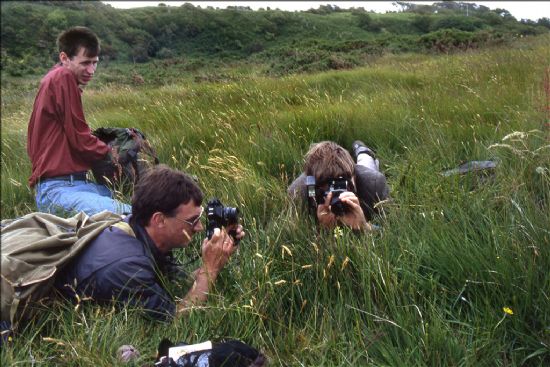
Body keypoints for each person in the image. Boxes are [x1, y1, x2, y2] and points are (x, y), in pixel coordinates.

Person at [55, 165, 244, 321]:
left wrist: (217, 257)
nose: (200, 227)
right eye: (192, 221)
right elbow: (174, 320)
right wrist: (209, 271)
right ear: (159, 220)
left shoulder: (139, 228)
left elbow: (176, 280)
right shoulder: (128, 267)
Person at [27, 26, 131, 216]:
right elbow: (80, 139)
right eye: (85, 63)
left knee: (140, 202)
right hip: (59, 190)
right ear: (64, 58)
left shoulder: (54, 78)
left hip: (75, 184)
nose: (91, 70)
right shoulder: (62, 77)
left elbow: (74, 137)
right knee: (131, 215)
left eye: (95, 62)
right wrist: (111, 153)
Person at [288, 140, 390, 231]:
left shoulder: (375, 183)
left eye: (341, 185)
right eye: (327, 190)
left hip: (363, 174)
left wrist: (364, 226)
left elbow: (392, 230)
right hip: (314, 178)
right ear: (313, 187)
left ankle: (362, 150)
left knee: (366, 161)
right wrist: (321, 228)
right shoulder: (299, 191)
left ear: (353, 177)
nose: (334, 195)